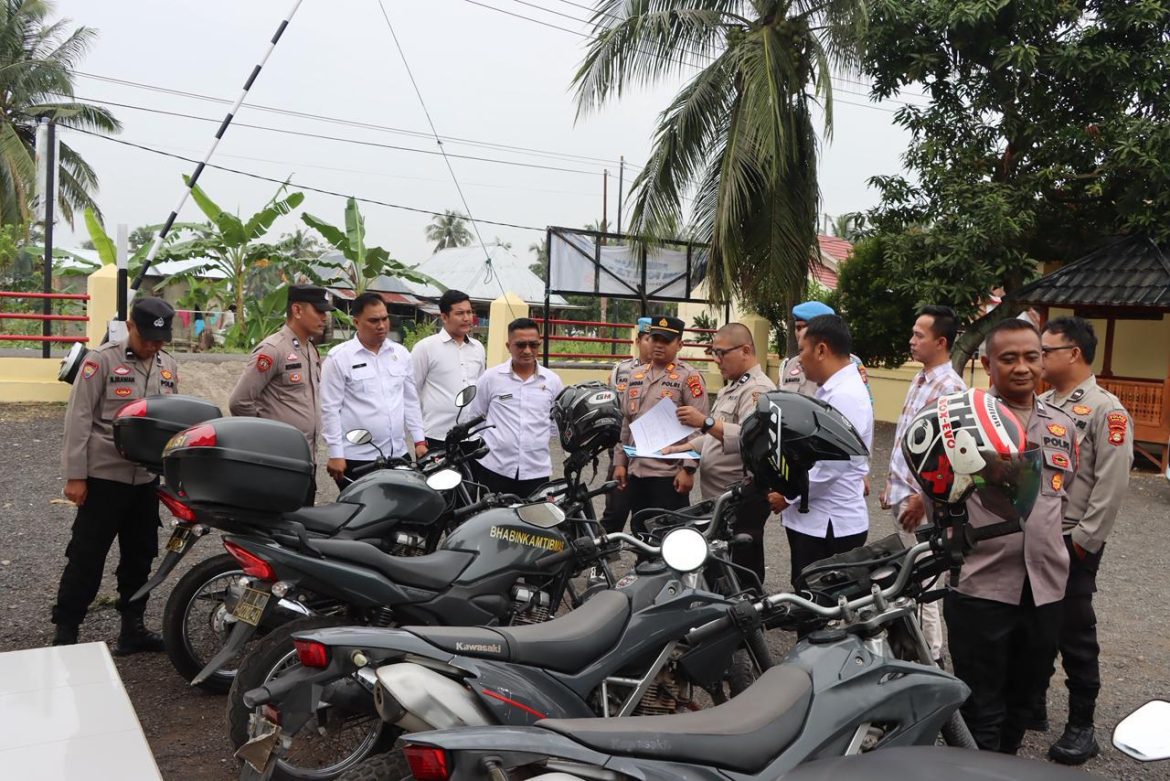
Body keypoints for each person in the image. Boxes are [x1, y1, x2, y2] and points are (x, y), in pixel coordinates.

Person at [944, 318, 1077, 754]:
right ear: (987, 364)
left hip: (1045, 589)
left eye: (1031, 356)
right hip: (983, 586)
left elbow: (1064, 499)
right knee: (979, 707)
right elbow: (939, 498)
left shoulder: (1063, 426)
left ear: (1043, 361)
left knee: (1025, 701)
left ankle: (1005, 763)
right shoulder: (964, 426)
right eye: (1009, 358)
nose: (1022, 367)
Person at [51, 298, 180, 652]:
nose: (155, 346)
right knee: (86, 557)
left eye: (162, 339)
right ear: (131, 326)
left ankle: (132, 628)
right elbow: (78, 420)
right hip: (105, 479)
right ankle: (66, 631)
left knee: (140, 557)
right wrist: (75, 476)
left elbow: (171, 419)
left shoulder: (167, 365)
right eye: (149, 338)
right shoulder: (100, 361)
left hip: (145, 481)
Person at [1040, 316, 1133, 764]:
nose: (1037, 358)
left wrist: (1083, 542)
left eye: (1046, 350)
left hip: (1071, 540)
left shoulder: (1105, 410)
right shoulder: (1041, 403)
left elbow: (1111, 487)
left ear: (1073, 353)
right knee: (1032, 622)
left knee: (1074, 631)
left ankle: (1082, 726)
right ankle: (1031, 705)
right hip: (1035, 536)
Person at [881, 305, 967, 666]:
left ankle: (931, 658)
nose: (911, 340)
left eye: (919, 335)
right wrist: (893, 487)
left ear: (941, 342)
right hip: (905, 497)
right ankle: (914, 652)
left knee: (927, 582)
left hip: (924, 505)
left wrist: (921, 497)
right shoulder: (923, 378)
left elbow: (949, 456)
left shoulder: (950, 387)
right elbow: (909, 438)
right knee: (909, 578)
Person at [665, 323, 775, 583]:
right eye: (713, 352)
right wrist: (680, 448)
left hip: (742, 496)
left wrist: (705, 421)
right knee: (719, 567)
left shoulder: (758, 389)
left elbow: (753, 439)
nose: (717, 360)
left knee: (741, 567)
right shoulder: (731, 387)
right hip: (721, 497)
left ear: (745, 350)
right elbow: (715, 439)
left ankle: (750, 617)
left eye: (722, 353)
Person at [768, 314, 873, 586]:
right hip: (817, 521)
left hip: (829, 525)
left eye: (802, 349)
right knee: (810, 602)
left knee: (820, 610)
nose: (799, 359)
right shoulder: (833, 390)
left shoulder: (844, 396)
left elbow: (830, 467)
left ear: (822, 349)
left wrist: (788, 495)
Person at [228, 284, 333, 504]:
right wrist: (269, 438)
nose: (324, 317)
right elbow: (240, 402)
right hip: (279, 462)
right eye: (319, 311)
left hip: (305, 461)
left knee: (301, 527)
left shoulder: (310, 350)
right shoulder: (273, 349)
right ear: (297, 310)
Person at [321, 292, 427, 490]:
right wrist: (336, 453)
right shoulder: (339, 358)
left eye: (385, 318)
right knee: (363, 517)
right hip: (359, 458)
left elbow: (410, 400)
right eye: (374, 320)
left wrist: (420, 440)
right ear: (356, 322)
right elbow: (330, 409)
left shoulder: (400, 353)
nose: (381, 325)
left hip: (397, 454)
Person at [613, 316, 710, 532]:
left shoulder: (689, 378)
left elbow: (699, 429)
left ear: (679, 344)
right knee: (640, 532)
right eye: (654, 338)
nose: (658, 345)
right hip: (636, 471)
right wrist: (620, 462)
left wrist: (688, 469)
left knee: (669, 535)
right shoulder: (636, 375)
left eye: (666, 341)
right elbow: (627, 422)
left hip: (668, 476)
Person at [467, 318, 564, 498]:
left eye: (533, 345)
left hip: (536, 472)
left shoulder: (552, 381)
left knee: (535, 523)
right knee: (493, 523)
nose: (527, 351)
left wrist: (537, 440)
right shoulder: (491, 378)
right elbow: (476, 419)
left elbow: (556, 423)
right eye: (520, 345)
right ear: (508, 345)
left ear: (539, 344)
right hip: (495, 470)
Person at [411, 289, 486, 449]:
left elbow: (479, 390)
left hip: (472, 436)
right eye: (460, 313)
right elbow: (412, 395)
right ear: (444, 317)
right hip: (437, 438)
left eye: (469, 312)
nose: (466, 318)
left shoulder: (478, 348)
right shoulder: (425, 348)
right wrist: (418, 441)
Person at [599, 316, 654, 534]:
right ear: (638, 341)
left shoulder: (674, 374)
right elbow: (612, 408)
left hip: (654, 459)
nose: (655, 345)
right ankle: (600, 566)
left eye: (660, 339)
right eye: (649, 338)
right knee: (614, 513)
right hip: (621, 455)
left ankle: (646, 564)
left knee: (647, 518)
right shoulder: (621, 371)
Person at [779, 300, 873, 403]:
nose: (800, 333)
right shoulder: (791, 364)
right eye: (798, 328)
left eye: (805, 328)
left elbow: (864, 403)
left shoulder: (848, 364)